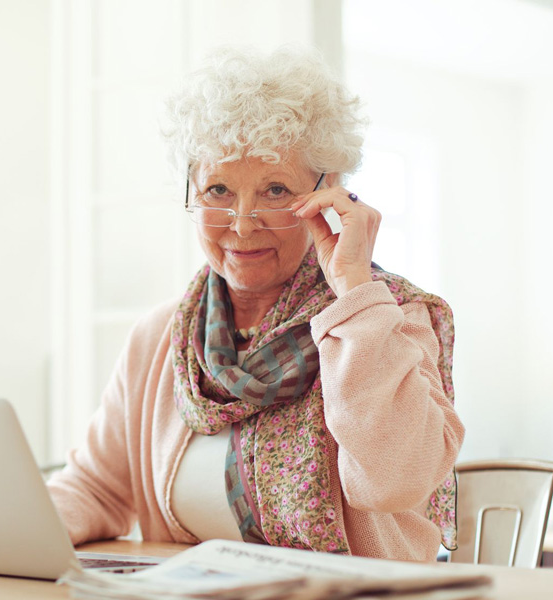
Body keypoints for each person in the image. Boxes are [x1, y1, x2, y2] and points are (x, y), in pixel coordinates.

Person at [47, 45, 464, 562]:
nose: (243, 225)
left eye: (274, 190)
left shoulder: (388, 317)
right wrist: (8, 526)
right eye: (218, 189)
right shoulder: (161, 335)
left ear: (328, 189)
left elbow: (395, 480)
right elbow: (96, 489)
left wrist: (354, 290)